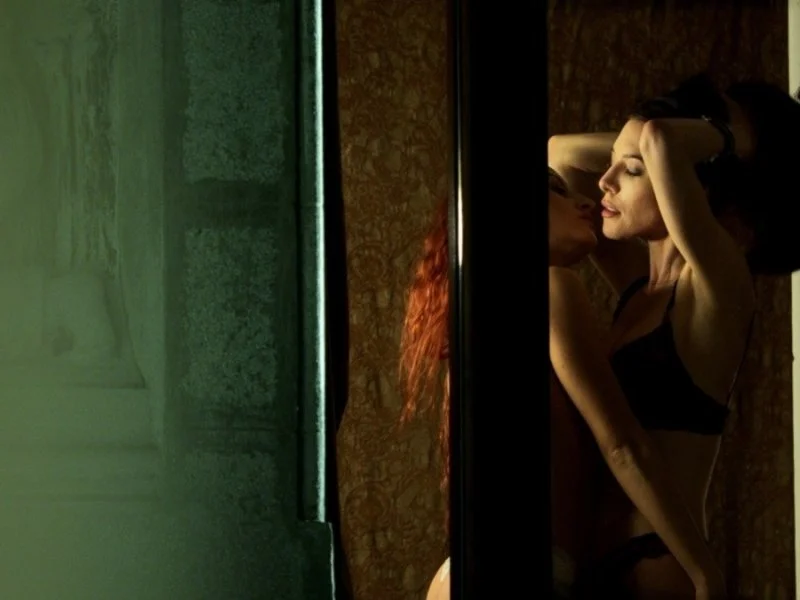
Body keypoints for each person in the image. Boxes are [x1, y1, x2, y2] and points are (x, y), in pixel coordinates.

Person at [400, 164, 727, 599]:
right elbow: (621, 444)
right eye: (556, 191)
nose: (587, 201)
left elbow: (564, 155)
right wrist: (703, 571)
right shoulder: (553, 286)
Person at [548, 72, 800, 598]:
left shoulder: (718, 290)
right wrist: (633, 148)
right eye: (615, 163)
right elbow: (560, 153)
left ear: (683, 186)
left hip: (663, 559)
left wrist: (743, 142)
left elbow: (661, 139)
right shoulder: (638, 289)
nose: (605, 181)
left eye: (631, 171)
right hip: (595, 560)